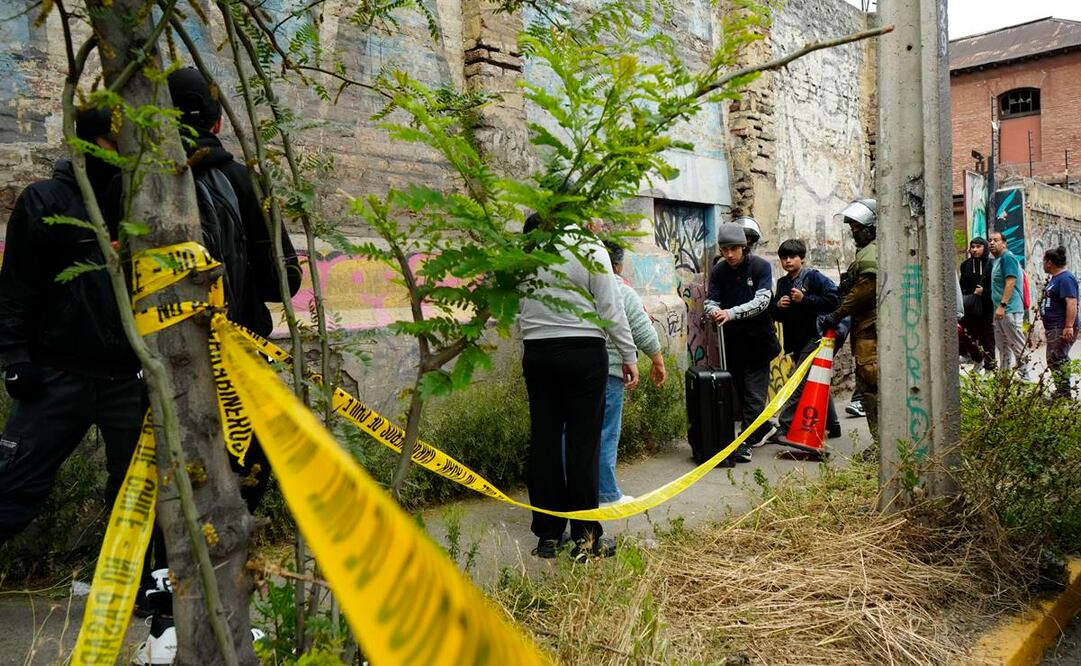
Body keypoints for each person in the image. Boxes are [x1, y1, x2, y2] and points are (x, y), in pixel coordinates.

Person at [0, 108, 143, 545]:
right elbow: (16, 289)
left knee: (137, 497)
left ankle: (139, 592)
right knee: (12, 486)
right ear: (89, 143)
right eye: (116, 145)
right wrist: (15, 358)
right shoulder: (44, 202)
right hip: (55, 376)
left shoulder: (143, 206)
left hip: (127, 379)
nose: (126, 156)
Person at [519, 214, 638, 559]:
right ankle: (585, 538)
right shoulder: (589, 247)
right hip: (583, 351)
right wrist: (628, 354)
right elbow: (610, 307)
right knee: (583, 444)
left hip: (537, 352)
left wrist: (533, 342)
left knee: (544, 443)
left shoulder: (528, 251)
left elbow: (519, 309)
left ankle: (547, 538)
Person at [704, 223, 781, 462]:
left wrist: (730, 313)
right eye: (724, 249)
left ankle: (744, 442)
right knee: (740, 389)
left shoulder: (760, 267)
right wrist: (714, 311)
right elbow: (711, 299)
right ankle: (764, 427)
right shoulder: (719, 270)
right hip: (732, 343)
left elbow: (762, 301)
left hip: (759, 342)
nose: (729, 254)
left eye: (733, 249)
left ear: (743, 247)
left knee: (754, 395)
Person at [597, 242, 666, 507]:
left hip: (578, 369)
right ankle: (606, 493)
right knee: (606, 432)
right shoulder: (619, 288)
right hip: (611, 369)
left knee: (574, 433)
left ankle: (574, 492)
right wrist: (657, 361)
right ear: (618, 264)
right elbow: (639, 327)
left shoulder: (578, 288)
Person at [818, 198, 878, 447]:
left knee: (873, 388)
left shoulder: (872, 253)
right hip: (866, 329)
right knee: (868, 389)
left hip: (872, 331)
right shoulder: (869, 251)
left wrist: (837, 314)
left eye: (857, 227)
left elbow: (866, 289)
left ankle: (882, 445)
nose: (854, 232)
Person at [770, 239, 840, 440]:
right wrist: (778, 306)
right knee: (815, 378)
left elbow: (834, 300)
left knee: (798, 380)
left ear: (802, 258)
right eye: (784, 258)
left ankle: (785, 424)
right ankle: (833, 424)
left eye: (792, 257)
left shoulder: (814, 278)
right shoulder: (783, 283)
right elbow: (780, 316)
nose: (788, 261)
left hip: (816, 337)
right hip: (796, 342)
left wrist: (805, 299)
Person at [1040, 246, 1078, 399]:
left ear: (1049, 263)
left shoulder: (1066, 278)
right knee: (1054, 357)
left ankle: (1064, 393)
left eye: (1044, 261)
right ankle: (1061, 391)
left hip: (1061, 326)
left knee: (1057, 357)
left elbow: (1072, 302)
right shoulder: (1056, 278)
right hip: (1053, 326)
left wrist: (1068, 326)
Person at [988, 231, 1028, 376]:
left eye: (996, 240)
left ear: (1004, 243)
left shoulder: (1007, 258)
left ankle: (1025, 377)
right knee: (1003, 345)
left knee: (1016, 344)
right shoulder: (996, 260)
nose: (992, 243)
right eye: (990, 240)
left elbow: (1010, 282)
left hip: (1009, 309)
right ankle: (1004, 378)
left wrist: (1002, 305)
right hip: (999, 311)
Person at [959, 237, 995, 371]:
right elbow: (962, 285)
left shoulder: (992, 264)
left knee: (987, 338)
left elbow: (997, 286)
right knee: (969, 336)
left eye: (978, 247)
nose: (975, 250)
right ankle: (977, 360)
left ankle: (990, 368)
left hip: (986, 308)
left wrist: (984, 291)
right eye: (973, 247)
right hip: (969, 307)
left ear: (984, 248)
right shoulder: (965, 265)